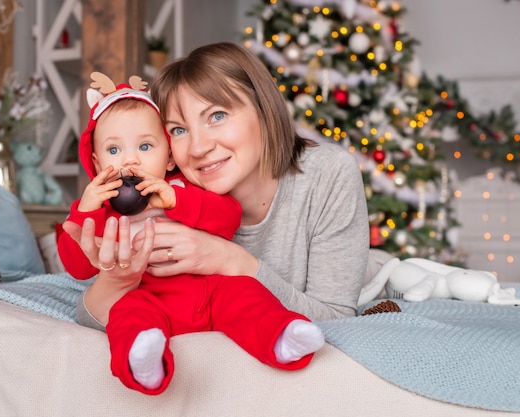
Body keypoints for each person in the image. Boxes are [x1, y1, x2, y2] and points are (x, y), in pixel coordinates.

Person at [64, 41, 370, 331]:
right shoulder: (163, 195)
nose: (198, 148)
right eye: (179, 129)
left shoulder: (327, 174)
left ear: (264, 111)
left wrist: (229, 259)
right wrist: (117, 281)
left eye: (217, 116)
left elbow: (336, 320)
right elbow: (97, 313)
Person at [58, 73, 325, 395]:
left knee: (244, 294)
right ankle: (144, 361)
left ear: (169, 155)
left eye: (145, 146)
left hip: (208, 292)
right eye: (114, 150)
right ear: (97, 161)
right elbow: (77, 267)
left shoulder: (183, 189)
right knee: (129, 314)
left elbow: (227, 218)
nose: (130, 159)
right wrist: (86, 210)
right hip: (148, 296)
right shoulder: (99, 210)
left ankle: (281, 337)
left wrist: (175, 201)